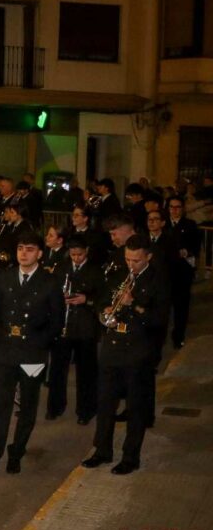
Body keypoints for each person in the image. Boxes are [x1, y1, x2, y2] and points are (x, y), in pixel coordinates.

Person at [0, 232, 62, 474]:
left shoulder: (49, 282)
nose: (24, 253)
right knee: (1, 406)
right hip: (5, 352)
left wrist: (38, 342)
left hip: (33, 354)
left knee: (28, 406)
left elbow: (56, 322)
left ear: (40, 253)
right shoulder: (4, 277)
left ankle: (16, 452)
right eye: (20, 248)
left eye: (30, 249)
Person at [82, 236, 170, 475]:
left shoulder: (158, 280)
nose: (131, 264)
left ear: (148, 257)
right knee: (105, 404)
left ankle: (130, 457)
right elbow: (101, 300)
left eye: (137, 260)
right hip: (112, 349)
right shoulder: (119, 273)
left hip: (138, 352)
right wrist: (105, 312)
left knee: (136, 407)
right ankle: (102, 450)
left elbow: (158, 320)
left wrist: (133, 304)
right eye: (128, 259)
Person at [46, 236, 102, 424]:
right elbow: (52, 289)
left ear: (86, 251)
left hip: (85, 327)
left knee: (86, 371)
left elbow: (103, 296)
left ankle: (86, 410)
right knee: (57, 369)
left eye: (79, 254)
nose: (76, 258)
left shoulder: (95, 270)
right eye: (73, 255)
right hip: (64, 325)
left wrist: (86, 299)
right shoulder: (62, 268)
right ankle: (55, 406)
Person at [166, 195, 199, 348]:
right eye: (172, 207)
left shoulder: (190, 225)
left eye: (178, 207)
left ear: (183, 209)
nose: (174, 210)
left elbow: (195, 247)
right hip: (166, 273)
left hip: (182, 273)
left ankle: (178, 337)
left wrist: (186, 252)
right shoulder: (164, 225)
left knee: (181, 308)